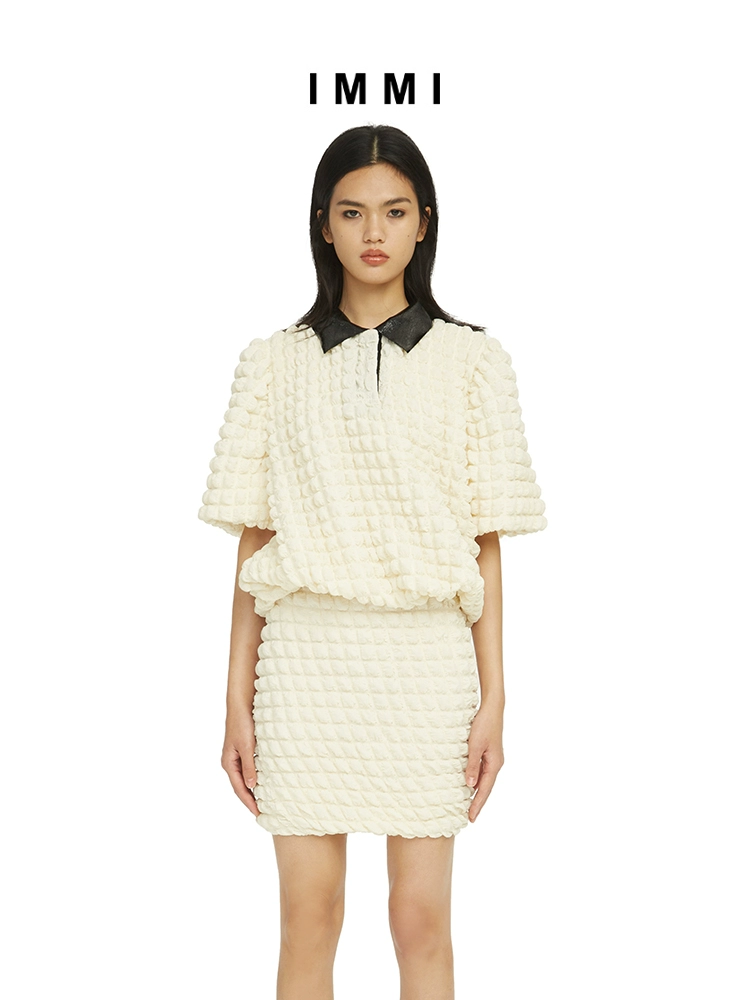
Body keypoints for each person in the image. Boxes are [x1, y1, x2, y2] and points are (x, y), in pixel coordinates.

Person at [198, 124, 547, 1000]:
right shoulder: (272, 364)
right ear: (323, 224)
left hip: (427, 665)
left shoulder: (474, 362)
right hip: (305, 665)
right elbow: (254, 542)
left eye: (394, 211)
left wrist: (496, 696)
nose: (374, 232)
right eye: (352, 212)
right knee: (308, 917)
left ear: (424, 222)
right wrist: (234, 698)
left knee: (420, 920)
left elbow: (485, 542)